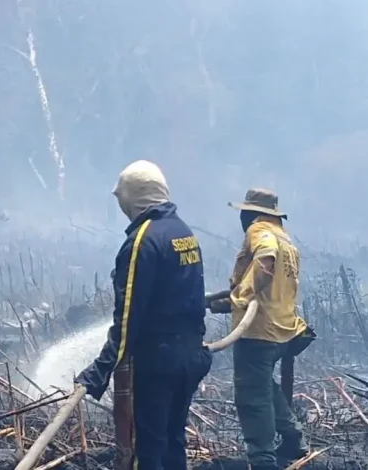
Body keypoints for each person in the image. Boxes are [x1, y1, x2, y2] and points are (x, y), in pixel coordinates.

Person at [75, 160, 212, 470]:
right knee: (172, 443)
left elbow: (128, 316)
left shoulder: (142, 241)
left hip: (159, 363)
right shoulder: (182, 231)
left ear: (132, 197)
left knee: (146, 452)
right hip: (190, 356)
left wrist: (101, 369)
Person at [210, 188, 314, 469]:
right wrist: (228, 300)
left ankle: (263, 458)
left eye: (245, 212)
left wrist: (237, 299)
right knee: (265, 387)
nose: (243, 218)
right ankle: (293, 438)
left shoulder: (261, 231)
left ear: (255, 213)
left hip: (258, 332)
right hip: (282, 330)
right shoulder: (287, 241)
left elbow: (265, 261)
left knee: (252, 396)